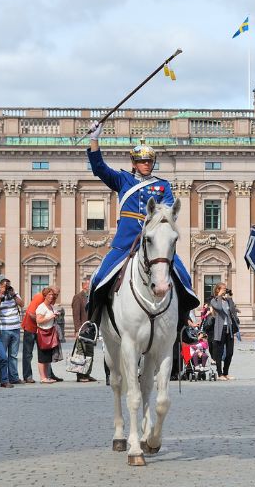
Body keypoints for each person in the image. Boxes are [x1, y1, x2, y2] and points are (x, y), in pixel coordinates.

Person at [85, 131, 200, 335]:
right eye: (141, 161)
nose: (146, 164)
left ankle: (185, 325)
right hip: (126, 243)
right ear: (134, 162)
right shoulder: (123, 180)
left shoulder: (162, 185)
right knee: (99, 277)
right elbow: (99, 168)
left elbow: (169, 209)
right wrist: (94, 140)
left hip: (155, 243)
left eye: (149, 161)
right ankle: (91, 326)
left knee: (184, 277)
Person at [209, 283, 239, 380]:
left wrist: (230, 297)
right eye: (223, 289)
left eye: (226, 289)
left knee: (230, 352)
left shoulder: (227, 300)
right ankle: (220, 374)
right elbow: (219, 308)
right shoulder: (214, 300)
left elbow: (233, 311)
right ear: (218, 290)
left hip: (229, 328)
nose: (225, 291)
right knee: (219, 352)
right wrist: (219, 297)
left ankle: (226, 373)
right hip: (219, 329)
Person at [0, 278, 24, 385]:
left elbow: (21, 304)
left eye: (8, 285)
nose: (7, 287)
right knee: (3, 355)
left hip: (15, 328)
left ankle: (14, 377)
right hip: (4, 329)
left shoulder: (14, 293)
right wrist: (1, 294)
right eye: (4, 286)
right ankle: (3, 379)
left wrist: (13, 294)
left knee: (13, 355)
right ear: (0, 286)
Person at [71, 279, 97, 383]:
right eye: (89, 285)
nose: (91, 286)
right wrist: (77, 330)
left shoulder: (92, 297)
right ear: (84, 286)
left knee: (90, 352)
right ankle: (80, 375)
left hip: (91, 329)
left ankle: (87, 373)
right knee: (81, 353)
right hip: (82, 329)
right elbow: (76, 315)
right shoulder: (78, 297)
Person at [35, 288, 61, 383]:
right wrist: (51, 316)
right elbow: (39, 320)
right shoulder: (41, 307)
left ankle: (47, 376)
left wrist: (55, 315)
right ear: (45, 296)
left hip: (50, 332)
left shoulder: (51, 306)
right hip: (42, 333)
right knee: (42, 357)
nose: (51, 296)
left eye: (52, 295)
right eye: (49, 295)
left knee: (47, 357)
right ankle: (43, 377)